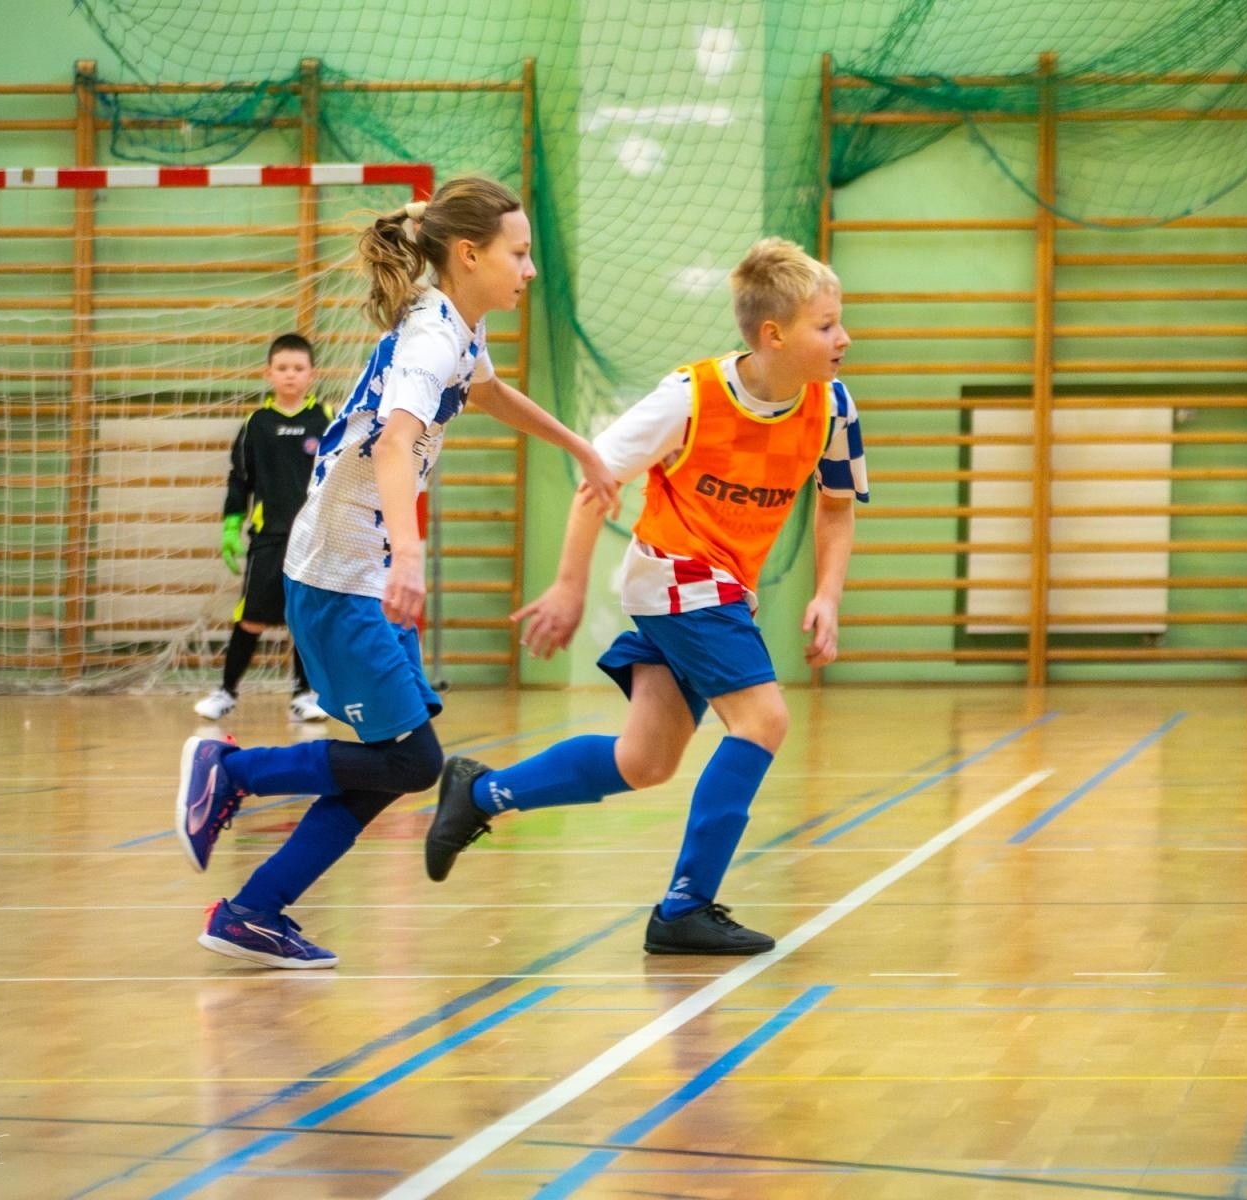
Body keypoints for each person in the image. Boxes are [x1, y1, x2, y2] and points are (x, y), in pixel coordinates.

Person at [172, 174, 619, 969]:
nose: (529, 269)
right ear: (469, 253)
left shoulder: (455, 323)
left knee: (387, 768)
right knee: (413, 762)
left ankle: (254, 910)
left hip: (359, 573)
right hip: (344, 577)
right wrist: (408, 557)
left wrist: (580, 446)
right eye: (519, 254)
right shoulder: (430, 337)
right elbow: (391, 441)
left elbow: (489, 394)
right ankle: (230, 770)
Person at [425, 237, 867, 956]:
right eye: (827, 325)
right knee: (764, 720)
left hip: (718, 587)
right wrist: (568, 585)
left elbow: (838, 506)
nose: (843, 337)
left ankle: (480, 794)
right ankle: (684, 909)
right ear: (773, 335)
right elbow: (595, 474)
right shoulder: (691, 396)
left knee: (647, 760)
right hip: (678, 572)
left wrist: (828, 595)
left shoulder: (832, 408)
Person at [194, 333, 331, 724]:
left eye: (298, 368)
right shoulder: (256, 423)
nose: (290, 375)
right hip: (268, 538)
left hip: (313, 539)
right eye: (283, 368)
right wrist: (231, 527)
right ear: (268, 373)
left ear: (311, 374)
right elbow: (240, 481)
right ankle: (226, 692)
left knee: (305, 618)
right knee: (251, 617)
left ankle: (304, 695)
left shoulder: (325, 418)